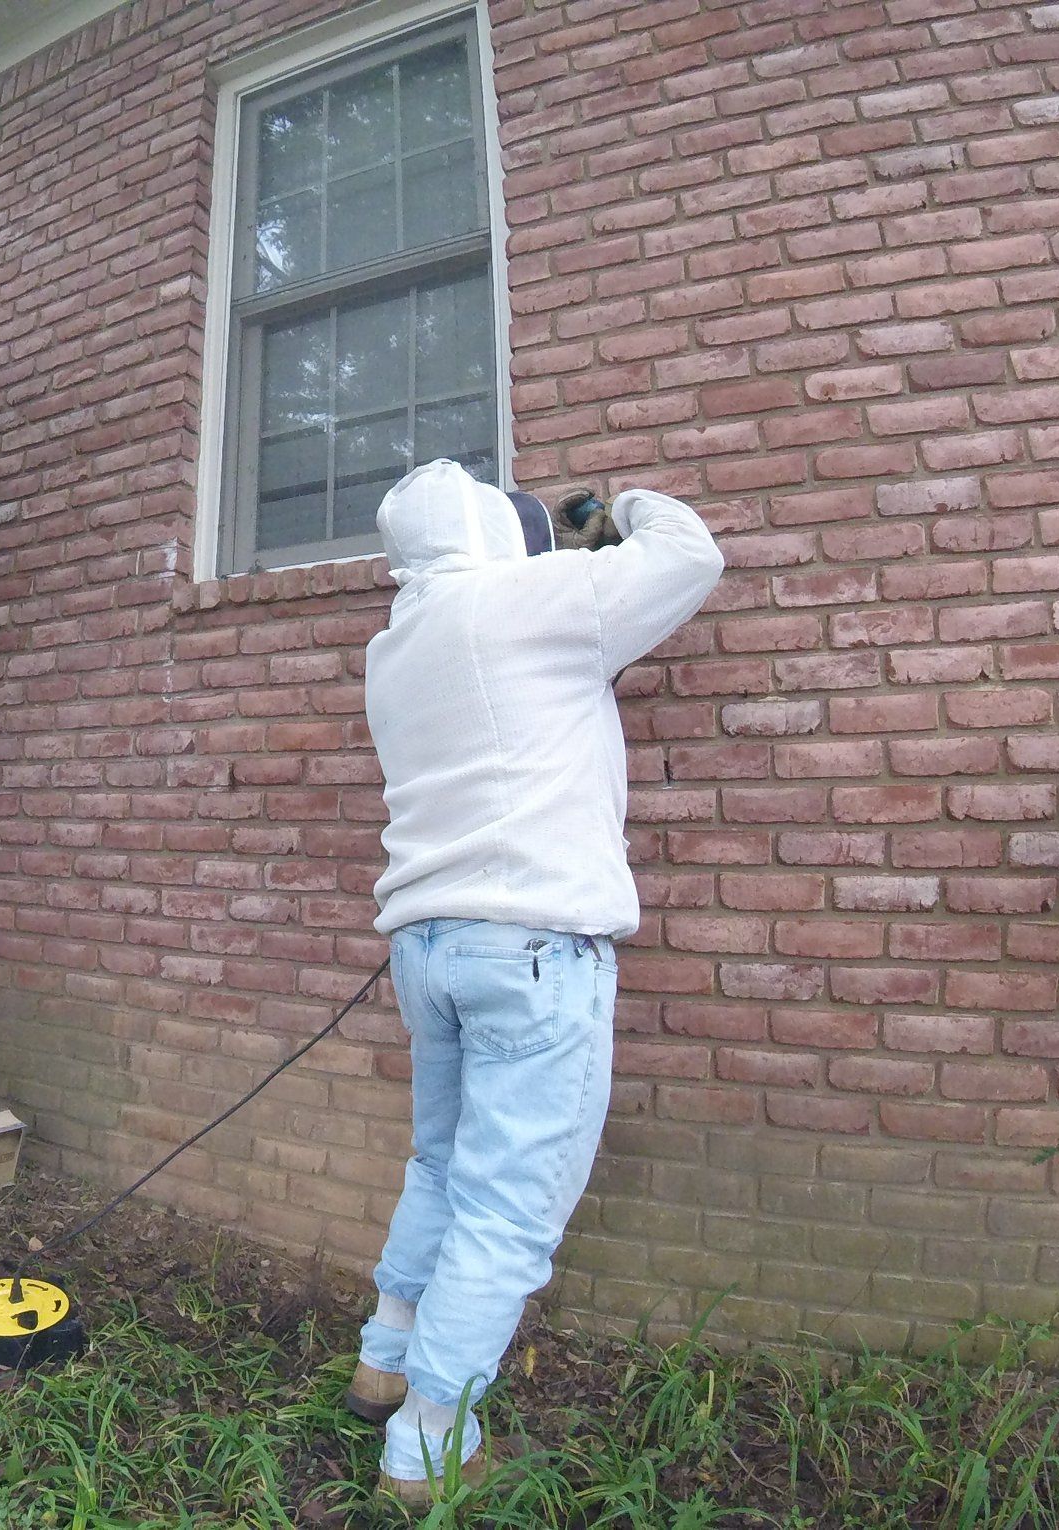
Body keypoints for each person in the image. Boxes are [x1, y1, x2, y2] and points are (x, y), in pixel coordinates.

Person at [350, 458, 725, 1506]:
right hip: (528, 950)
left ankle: (386, 1353)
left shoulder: (396, 646)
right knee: (509, 1210)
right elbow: (690, 555)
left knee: (439, 1165)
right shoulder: (526, 601)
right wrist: (620, 511)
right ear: (490, 534)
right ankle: (426, 1449)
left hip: (428, 947)